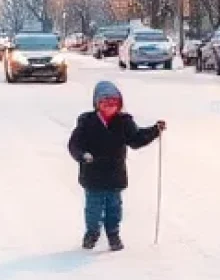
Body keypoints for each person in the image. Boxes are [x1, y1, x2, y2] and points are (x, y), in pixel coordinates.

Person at [66, 79, 166, 252]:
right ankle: (92, 232)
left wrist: (154, 130)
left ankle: (113, 234)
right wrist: (82, 155)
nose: (110, 106)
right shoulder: (87, 122)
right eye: (106, 102)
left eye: (114, 102)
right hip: (93, 175)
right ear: (97, 103)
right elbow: (74, 144)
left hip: (115, 174)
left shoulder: (124, 122)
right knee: (93, 208)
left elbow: (136, 139)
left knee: (114, 208)